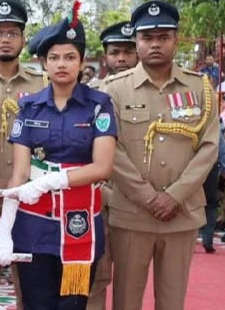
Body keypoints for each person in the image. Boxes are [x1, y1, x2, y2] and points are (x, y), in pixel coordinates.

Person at [0, 4, 116, 310]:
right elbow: (20, 174)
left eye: (70, 57)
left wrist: (53, 180)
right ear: (43, 63)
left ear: (82, 62)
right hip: (34, 226)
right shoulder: (29, 107)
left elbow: (102, 167)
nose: (62, 64)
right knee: (37, 304)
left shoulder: (99, 105)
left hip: (79, 225)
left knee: (72, 305)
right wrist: (4, 229)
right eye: (54, 57)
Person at [104, 0, 219, 310]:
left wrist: (175, 195)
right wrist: (148, 197)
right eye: (147, 37)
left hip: (181, 213)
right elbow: (110, 148)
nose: (155, 44)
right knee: (126, 300)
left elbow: (209, 146)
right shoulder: (114, 89)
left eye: (163, 37)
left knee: (172, 301)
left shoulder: (200, 88)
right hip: (132, 212)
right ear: (136, 41)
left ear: (176, 39)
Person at [0, 0, 43, 309]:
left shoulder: (43, 84)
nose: (5, 39)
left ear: (23, 39)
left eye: (12, 33)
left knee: (33, 288)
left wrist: (21, 186)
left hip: (32, 200)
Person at [85, 20, 138, 310]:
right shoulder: (87, 96)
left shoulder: (153, 94)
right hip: (101, 200)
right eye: (115, 52)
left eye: (128, 52)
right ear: (104, 56)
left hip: (139, 202)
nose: (122, 59)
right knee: (97, 277)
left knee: (131, 281)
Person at [199, 118, 225, 253]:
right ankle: (208, 239)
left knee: (190, 202)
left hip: (190, 167)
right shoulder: (213, 121)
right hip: (211, 165)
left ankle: (191, 238)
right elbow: (222, 147)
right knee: (211, 204)